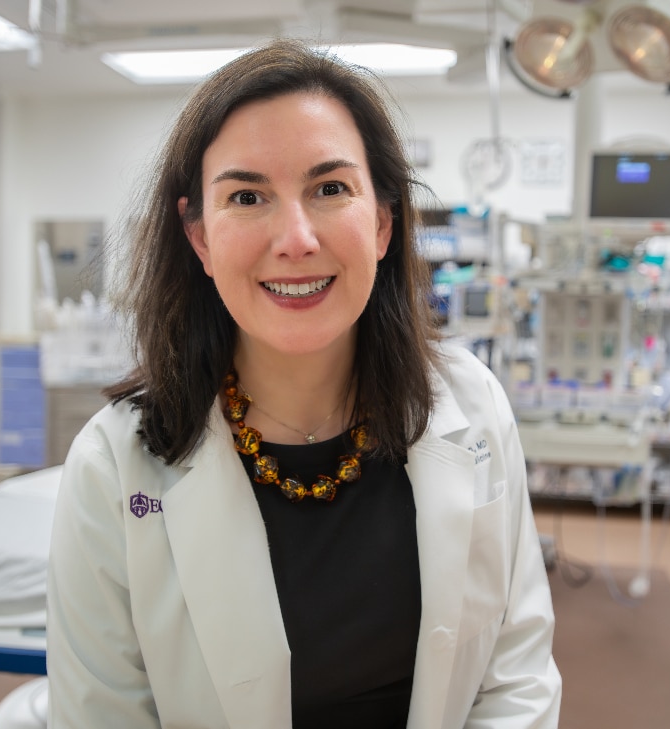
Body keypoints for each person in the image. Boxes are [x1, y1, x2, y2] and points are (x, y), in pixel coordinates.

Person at [46, 38, 562, 729]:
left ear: (381, 221)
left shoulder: (474, 405)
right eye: (247, 195)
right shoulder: (113, 467)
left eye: (329, 188)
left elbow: (516, 676)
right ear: (199, 238)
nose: (295, 238)